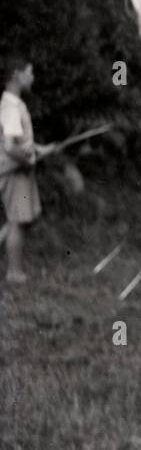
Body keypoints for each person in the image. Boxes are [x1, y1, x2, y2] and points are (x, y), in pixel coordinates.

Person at [0, 57, 53, 285]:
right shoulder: (11, 106)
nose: (32, 77)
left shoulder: (15, 103)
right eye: (29, 72)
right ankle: (14, 273)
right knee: (18, 220)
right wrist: (30, 158)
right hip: (15, 173)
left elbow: (19, 141)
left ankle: (14, 263)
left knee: (22, 219)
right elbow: (10, 147)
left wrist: (40, 148)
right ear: (16, 75)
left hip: (20, 171)